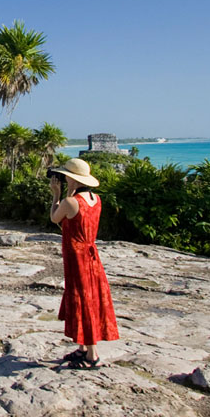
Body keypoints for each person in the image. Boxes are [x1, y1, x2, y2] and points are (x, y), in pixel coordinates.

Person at [49, 158, 119, 369]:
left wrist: (56, 196)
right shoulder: (96, 199)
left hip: (76, 257)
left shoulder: (70, 202)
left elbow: (55, 218)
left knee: (83, 301)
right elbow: (74, 220)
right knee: (90, 298)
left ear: (71, 178)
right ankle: (82, 348)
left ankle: (92, 354)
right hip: (91, 255)